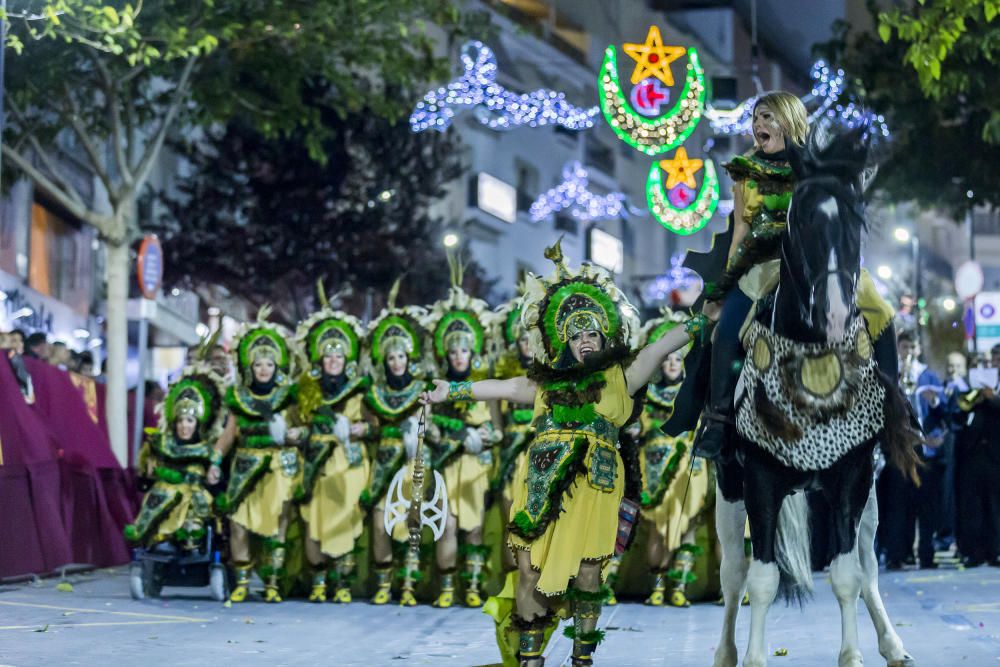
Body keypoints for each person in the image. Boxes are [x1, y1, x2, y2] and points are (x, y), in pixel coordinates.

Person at [424, 242, 718, 667]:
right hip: (540, 483)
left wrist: (700, 321)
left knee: (588, 572)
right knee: (528, 569)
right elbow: (503, 388)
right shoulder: (546, 383)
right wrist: (448, 390)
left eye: (592, 334)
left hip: (595, 484)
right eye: (577, 335)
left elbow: (658, 349)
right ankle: (531, 657)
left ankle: (582, 658)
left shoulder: (622, 377)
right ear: (564, 340)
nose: (585, 341)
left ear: (603, 338)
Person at [695, 92, 806, 459]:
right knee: (724, 329)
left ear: (789, 121)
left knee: (873, 312)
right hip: (759, 266)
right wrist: (724, 285)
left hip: (806, 265)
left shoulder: (812, 168)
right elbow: (740, 231)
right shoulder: (744, 171)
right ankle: (718, 418)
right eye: (757, 118)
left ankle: (892, 405)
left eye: (769, 117)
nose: (760, 125)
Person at [207, 309, 304, 603]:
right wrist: (214, 461)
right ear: (251, 366)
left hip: (278, 468)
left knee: (278, 525)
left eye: (269, 363)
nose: (263, 369)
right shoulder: (241, 398)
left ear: (277, 366)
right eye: (258, 364)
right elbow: (228, 436)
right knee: (238, 524)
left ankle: (273, 583)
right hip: (245, 467)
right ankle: (243, 583)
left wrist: (292, 435)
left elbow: (305, 430)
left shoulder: (288, 396)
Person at [424, 270, 501, 608]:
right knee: (446, 526)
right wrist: (435, 431)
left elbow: (497, 429)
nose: (459, 357)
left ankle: (471, 586)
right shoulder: (435, 386)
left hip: (475, 467)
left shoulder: (485, 389)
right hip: (444, 465)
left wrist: (484, 436)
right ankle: (445, 588)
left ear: (474, 353)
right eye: (453, 352)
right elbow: (422, 425)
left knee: (474, 528)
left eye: (464, 351)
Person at [292, 299, 371, 603]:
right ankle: (318, 582)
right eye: (329, 356)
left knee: (346, 519)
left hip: (348, 463)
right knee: (314, 521)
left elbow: (372, 425)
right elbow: (297, 423)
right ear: (320, 360)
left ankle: (343, 583)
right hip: (315, 463)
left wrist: (358, 429)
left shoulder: (358, 388)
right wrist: (297, 432)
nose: (334, 360)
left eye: (339, 355)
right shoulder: (307, 390)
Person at [629, 309, 710, 608]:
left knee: (687, 524)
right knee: (657, 528)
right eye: (667, 359)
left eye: (678, 359)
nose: (673, 364)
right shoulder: (646, 394)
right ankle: (657, 586)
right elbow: (638, 425)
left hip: (690, 466)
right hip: (653, 466)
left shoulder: (696, 393)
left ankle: (679, 586)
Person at [359, 289, 431, 606]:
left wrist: (421, 429)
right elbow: (371, 427)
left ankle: (409, 585)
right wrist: (365, 428)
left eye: (401, 356)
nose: (397, 362)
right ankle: (384, 583)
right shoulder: (373, 393)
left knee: (413, 521)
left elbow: (434, 427)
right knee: (380, 523)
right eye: (391, 357)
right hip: (383, 464)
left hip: (413, 463)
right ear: (385, 361)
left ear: (409, 358)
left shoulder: (422, 390)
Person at [125, 365, 225, 550]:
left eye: (189, 421)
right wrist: (148, 470)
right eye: (180, 420)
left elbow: (217, 484)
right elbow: (144, 480)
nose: (184, 426)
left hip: (193, 501)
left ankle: (188, 539)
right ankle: (160, 541)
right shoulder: (161, 445)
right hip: (162, 497)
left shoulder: (207, 451)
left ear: (198, 423)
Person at [880, 332, 945, 569]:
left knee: (926, 506)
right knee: (898, 505)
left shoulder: (928, 376)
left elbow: (944, 412)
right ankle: (897, 555)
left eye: (911, 347)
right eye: (904, 346)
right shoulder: (891, 374)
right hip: (899, 450)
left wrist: (935, 401)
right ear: (898, 348)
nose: (908, 351)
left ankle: (926, 555)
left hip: (925, 450)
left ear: (917, 349)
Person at [492, 298, 536, 576]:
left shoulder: (554, 375)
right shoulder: (505, 376)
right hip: (511, 459)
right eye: (523, 340)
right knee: (510, 518)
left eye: (533, 339)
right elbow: (495, 416)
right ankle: (511, 582)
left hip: (541, 456)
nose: (528, 345)